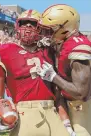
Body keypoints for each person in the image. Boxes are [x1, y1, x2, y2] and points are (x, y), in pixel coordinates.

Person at [0, 9, 70, 136]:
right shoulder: (3, 52)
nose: (27, 27)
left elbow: (58, 94)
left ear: (41, 29)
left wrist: (66, 124)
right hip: (23, 115)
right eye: (23, 23)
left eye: (32, 24)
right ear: (17, 27)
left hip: (51, 112)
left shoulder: (51, 52)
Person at [37, 4, 91, 136]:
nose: (44, 34)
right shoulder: (63, 42)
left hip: (82, 106)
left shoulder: (78, 48)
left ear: (65, 29)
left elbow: (81, 93)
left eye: (49, 30)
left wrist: (53, 76)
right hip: (68, 104)